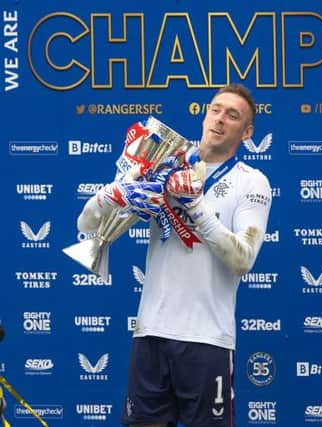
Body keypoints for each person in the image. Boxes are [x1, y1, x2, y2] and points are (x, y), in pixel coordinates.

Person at [76, 83, 272, 427]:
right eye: (215, 109)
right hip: (151, 333)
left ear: (247, 131)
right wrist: (116, 192)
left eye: (233, 115)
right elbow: (87, 223)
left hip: (207, 339)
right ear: (204, 114)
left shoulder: (251, 182)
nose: (220, 119)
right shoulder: (164, 164)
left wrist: (195, 205)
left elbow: (243, 259)